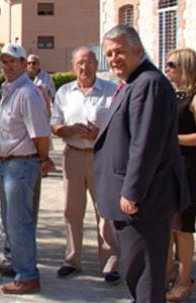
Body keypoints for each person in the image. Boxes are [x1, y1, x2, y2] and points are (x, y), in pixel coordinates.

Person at [94, 25, 189, 303]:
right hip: (134, 202)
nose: (113, 59)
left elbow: (145, 144)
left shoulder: (148, 83)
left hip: (143, 203)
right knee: (136, 272)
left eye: (119, 51)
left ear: (138, 49)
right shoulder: (134, 82)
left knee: (146, 275)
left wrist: (131, 191)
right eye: (109, 54)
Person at [50, 47, 120, 284]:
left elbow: (120, 126)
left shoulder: (111, 91)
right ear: (73, 66)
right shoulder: (64, 92)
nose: (85, 67)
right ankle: (72, 260)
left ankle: (110, 263)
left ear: (96, 64)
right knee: (72, 211)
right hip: (72, 155)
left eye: (90, 62)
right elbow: (54, 124)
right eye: (80, 62)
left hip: (101, 156)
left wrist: (99, 134)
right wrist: (67, 130)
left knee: (105, 211)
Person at [0, 44, 54, 295]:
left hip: (21, 164)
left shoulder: (27, 93)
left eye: (12, 61)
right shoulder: (11, 91)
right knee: (10, 221)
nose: (6, 66)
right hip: (8, 164)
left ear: (22, 63)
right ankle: (19, 265)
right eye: (3, 61)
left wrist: (43, 158)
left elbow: (40, 134)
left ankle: (28, 276)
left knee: (19, 223)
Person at [163, 48, 196, 302]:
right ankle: (169, 273)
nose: (167, 68)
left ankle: (185, 279)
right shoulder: (173, 95)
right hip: (168, 165)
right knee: (168, 224)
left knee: (183, 226)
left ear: (186, 67)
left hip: (186, 165)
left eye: (172, 64)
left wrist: (172, 140)